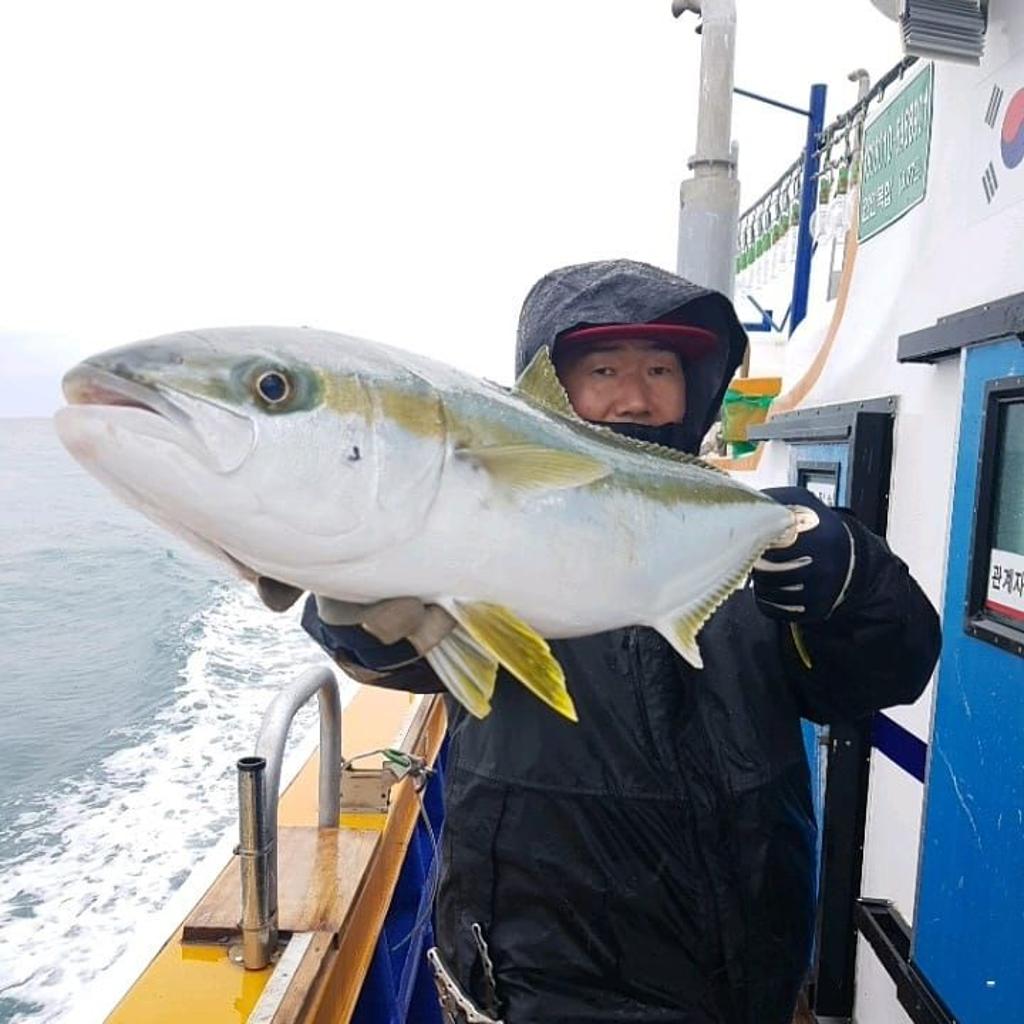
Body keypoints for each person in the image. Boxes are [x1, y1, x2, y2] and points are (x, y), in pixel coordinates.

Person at [279, 259, 941, 1024]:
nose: (636, 396)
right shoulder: (481, 533)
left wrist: (857, 586)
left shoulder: (742, 538)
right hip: (534, 989)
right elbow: (389, 645)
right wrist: (348, 602)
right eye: (604, 370)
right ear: (550, 391)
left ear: (696, 387)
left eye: (662, 368)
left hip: (746, 985)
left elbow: (886, 676)